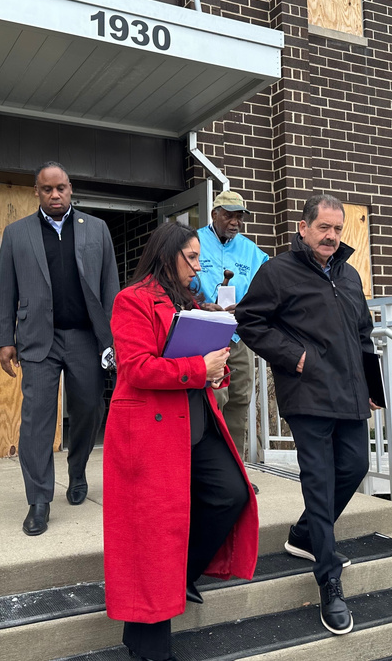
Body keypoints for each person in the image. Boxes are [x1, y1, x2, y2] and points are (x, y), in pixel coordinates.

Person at [103, 221, 258, 661]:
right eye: (191, 258)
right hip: (150, 431)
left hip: (193, 422)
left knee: (230, 493)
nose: (197, 267)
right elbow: (135, 368)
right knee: (151, 535)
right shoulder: (131, 300)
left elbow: (202, 364)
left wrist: (217, 365)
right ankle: (149, 648)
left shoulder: (189, 301)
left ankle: (181, 575)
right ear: (167, 254)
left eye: (199, 259)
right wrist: (197, 367)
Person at [235, 194, 382, 636]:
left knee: (355, 466)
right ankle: (329, 579)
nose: (332, 237)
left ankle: (303, 535)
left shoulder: (349, 275)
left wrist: (372, 386)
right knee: (319, 482)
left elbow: (363, 334)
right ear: (303, 228)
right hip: (307, 394)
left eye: (338, 229)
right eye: (324, 228)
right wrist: (294, 357)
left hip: (349, 393)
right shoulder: (278, 272)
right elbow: (249, 320)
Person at [0, 161, 119, 537]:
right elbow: (6, 290)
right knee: (36, 421)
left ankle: (77, 470)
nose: (55, 194)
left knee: (89, 409)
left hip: (84, 337)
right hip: (37, 340)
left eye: (60, 187)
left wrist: (113, 338)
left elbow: (110, 286)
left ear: (70, 187)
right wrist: (4, 339)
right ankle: (39, 500)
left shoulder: (96, 229)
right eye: (47, 189)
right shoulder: (17, 234)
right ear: (37, 192)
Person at [194, 190, 269, 472]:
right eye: (229, 215)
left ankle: (234, 472)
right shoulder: (196, 241)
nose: (235, 221)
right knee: (214, 401)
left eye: (239, 216)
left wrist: (252, 308)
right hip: (207, 331)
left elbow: (268, 285)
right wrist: (201, 303)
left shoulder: (251, 250)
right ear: (214, 214)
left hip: (240, 334)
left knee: (239, 399)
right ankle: (209, 472)